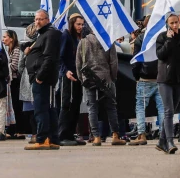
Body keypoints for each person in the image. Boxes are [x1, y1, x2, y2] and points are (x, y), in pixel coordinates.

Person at [77, 26, 126, 146]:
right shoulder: (108, 41)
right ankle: (115, 135)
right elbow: (113, 62)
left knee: (92, 108)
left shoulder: (82, 42)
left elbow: (78, 63)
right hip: (106, 78)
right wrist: (113, 77)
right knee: (111, 107)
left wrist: (81, 78)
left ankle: (96, 137)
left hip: (88, 78)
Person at [24, 10, 62, 150]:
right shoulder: (42, 35)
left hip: (42, 79)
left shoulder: (50, 34)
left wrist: (40, 76)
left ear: (47, 19)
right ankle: (52, 139)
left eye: (40, 19)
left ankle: (43, 138)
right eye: (36, 19)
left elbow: (49, 58)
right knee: (48, 108)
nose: (37, 22)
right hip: (40, 77)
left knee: (41, 109)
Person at [156, 13, 180, 154]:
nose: (175, 25)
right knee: (168, 111)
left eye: (176, 22)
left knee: (172, 110)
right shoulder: (162, 37)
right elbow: (160, 55)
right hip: (165, 78)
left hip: (179, 78)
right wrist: (169, 41)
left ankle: (161, 141)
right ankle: (170, 142)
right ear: (167, 24)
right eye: (172, 23)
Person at [131, 21, 162, 145]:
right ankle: (164, 134)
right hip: (160, 78)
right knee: (162, 108)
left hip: (144, 78)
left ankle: (141, 134)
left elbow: (136, 60)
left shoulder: (140, 39)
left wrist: (136, 76)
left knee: (140, 107)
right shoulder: (161, 37)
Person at [57, 14, 85, 145]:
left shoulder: (79, 38)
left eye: (82, 24)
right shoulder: (66, 35)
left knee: (76, 104)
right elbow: (60, 56)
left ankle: (71, 134)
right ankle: (62, 135)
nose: (80, 27)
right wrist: (65, 71)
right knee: (66, 104)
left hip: (78, 75)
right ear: (72, 24)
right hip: (68, 75)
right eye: (78, 24)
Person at [3, 30, 27, 139]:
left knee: (16, 105)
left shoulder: (16, 50)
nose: (3, 39)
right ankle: (12, 129)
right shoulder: (9, 50)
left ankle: (19, 130)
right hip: (10, 81)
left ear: (11, 38)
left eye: (5, 37)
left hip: (15, 81)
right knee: (11, 106)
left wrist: (4, 64)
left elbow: (14, 66)